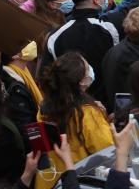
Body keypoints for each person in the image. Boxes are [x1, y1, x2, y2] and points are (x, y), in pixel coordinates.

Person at [37, 51, 113, 189]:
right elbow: (108, 150)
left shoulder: (44, 109)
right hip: (83, 181)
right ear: (82, 81)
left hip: (54, 181)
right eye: (87, 67)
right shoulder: (86, 113)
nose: (90, 69)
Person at [45, 0, 119, 102]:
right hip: (102, 104)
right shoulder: (107, 29)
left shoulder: (55, 35)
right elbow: (113, 69)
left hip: (66, 104)